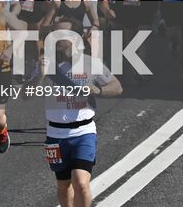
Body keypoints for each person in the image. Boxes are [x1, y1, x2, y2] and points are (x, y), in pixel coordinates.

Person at [39, 16, 123, 207]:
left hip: (83, 132)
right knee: (63, 187)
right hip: (55, 134)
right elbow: (26, 95)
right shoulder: (46, 64)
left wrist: (98, 90)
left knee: (81, 183)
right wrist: (39, 77)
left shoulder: (91, 63)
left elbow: (117, 87)